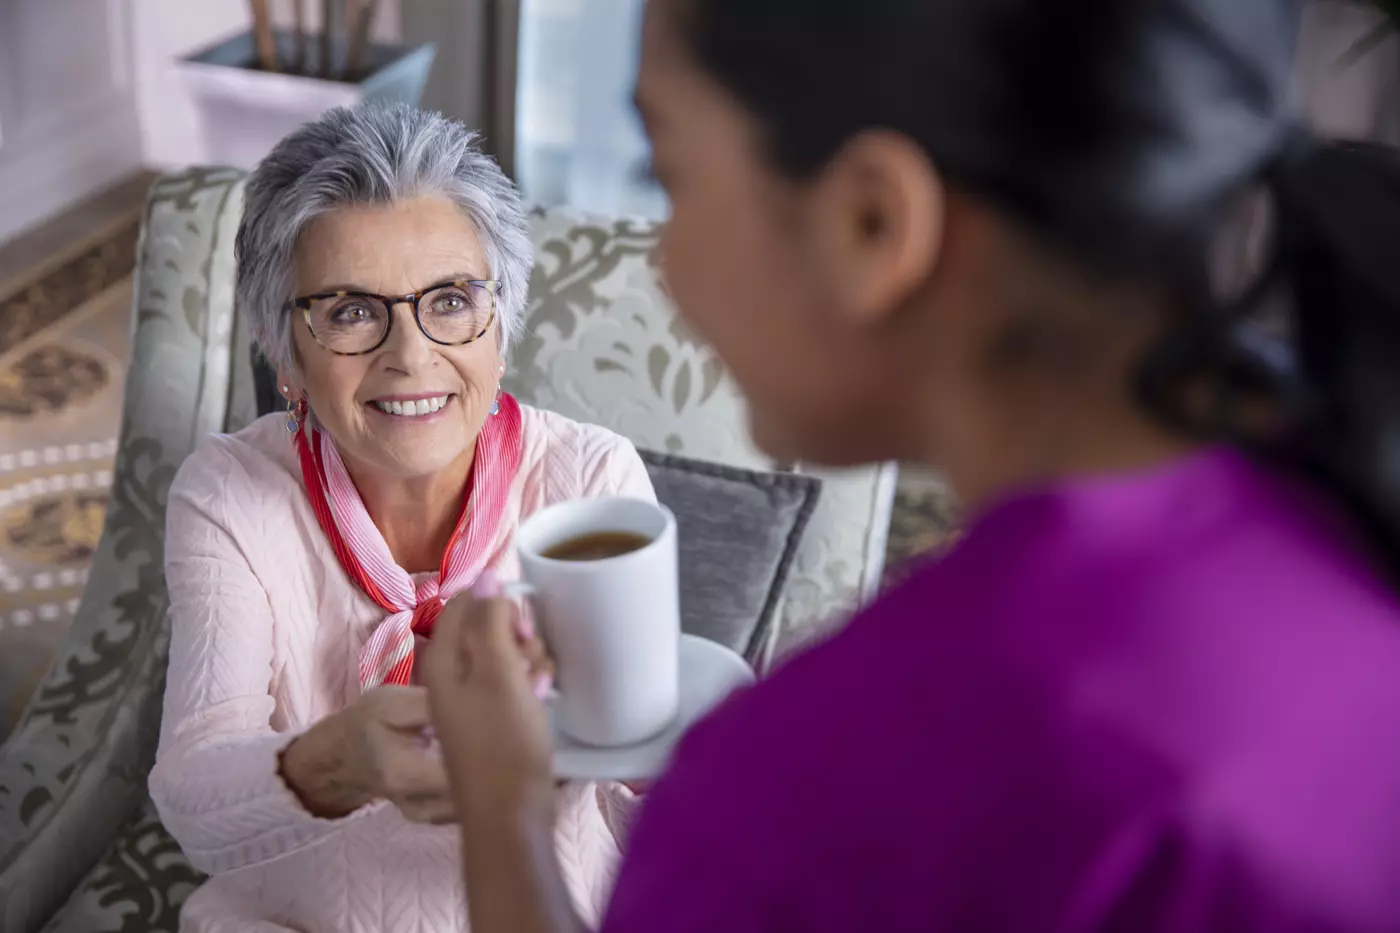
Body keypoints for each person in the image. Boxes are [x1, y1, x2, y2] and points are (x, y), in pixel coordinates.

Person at [420, 0, 1400, 930]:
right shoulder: (1343, 493)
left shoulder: (806, 792)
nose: (663, 260)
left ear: (870, 225)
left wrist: (504, 814)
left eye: (664, 172)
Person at [147, 103, 653, 933]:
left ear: (502, 323)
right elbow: (195, 814)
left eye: (451, 299)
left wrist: (644, 754)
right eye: (350, 311)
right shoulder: (229, 492)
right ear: (287, 358)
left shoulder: (592, 480)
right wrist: (341, 759)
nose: (411, 355)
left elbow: (651, 833)